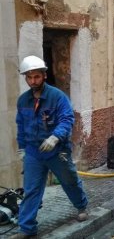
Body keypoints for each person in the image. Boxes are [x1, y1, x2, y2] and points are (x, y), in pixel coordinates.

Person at [12, 56, 88, 239]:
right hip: (33, 151)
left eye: (36, 77)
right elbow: (21, 125)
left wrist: (55, 137)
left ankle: (81, 206)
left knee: (69, 180)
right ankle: (27, 228)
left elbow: (67, 118)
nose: (33, 81)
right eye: (29, 78)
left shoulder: (57, 97)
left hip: (57, 150)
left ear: (44, 75)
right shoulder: (23, 101)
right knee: (31, 189)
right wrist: (22, 148)